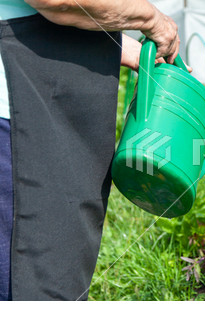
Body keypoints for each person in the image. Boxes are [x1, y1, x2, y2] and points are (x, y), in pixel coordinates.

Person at [0, 0, 181, 300]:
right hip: (18, 121)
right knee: (31, 281)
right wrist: (152, 19)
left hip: (41, 110)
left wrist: (119, 46)